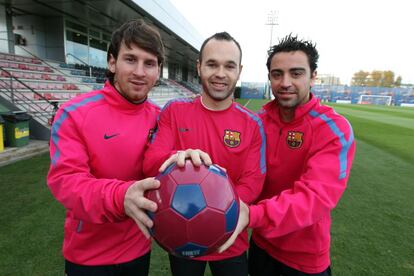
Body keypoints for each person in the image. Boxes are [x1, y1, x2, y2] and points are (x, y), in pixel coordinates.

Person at [219, 34, 356, 275]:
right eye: (277, 74)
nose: (285, 82)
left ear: (313, 76)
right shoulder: (257, 122)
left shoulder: (333, 128)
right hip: (261, 246)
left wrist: (252, 214)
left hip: (305, 258)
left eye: (296, 73)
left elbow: (315, 197)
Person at [143, 32, 266, 276]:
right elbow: (150, 163)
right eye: (212, 64)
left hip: (231, 238)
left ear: (239, 71)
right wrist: (181, 156)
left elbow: (253, 180)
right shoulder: (174, 111)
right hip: (182, 236)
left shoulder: (252, 124)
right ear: (199, 67)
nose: (220, 73)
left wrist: (218, 216)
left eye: (229, 66)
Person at [47, 19, 164, 275]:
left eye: (149, 63)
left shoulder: (162, 118)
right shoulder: (74, 113)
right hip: (88, 257)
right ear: (112, 62)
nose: (140, 72)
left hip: (138, 250)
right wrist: (121, 196)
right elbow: (66, 182)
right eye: (130, 59)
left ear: (158, 71)